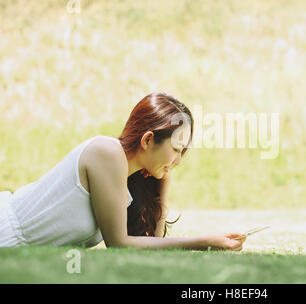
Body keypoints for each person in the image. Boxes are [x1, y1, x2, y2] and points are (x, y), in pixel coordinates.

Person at [0, 92, 247, 251]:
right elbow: (119, 244)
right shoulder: (107, 153)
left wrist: (163, 185)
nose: (178, 161)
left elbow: (152, 246)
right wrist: (205, 241)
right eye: (176, 149)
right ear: (148, 140)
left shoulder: (128, 178)